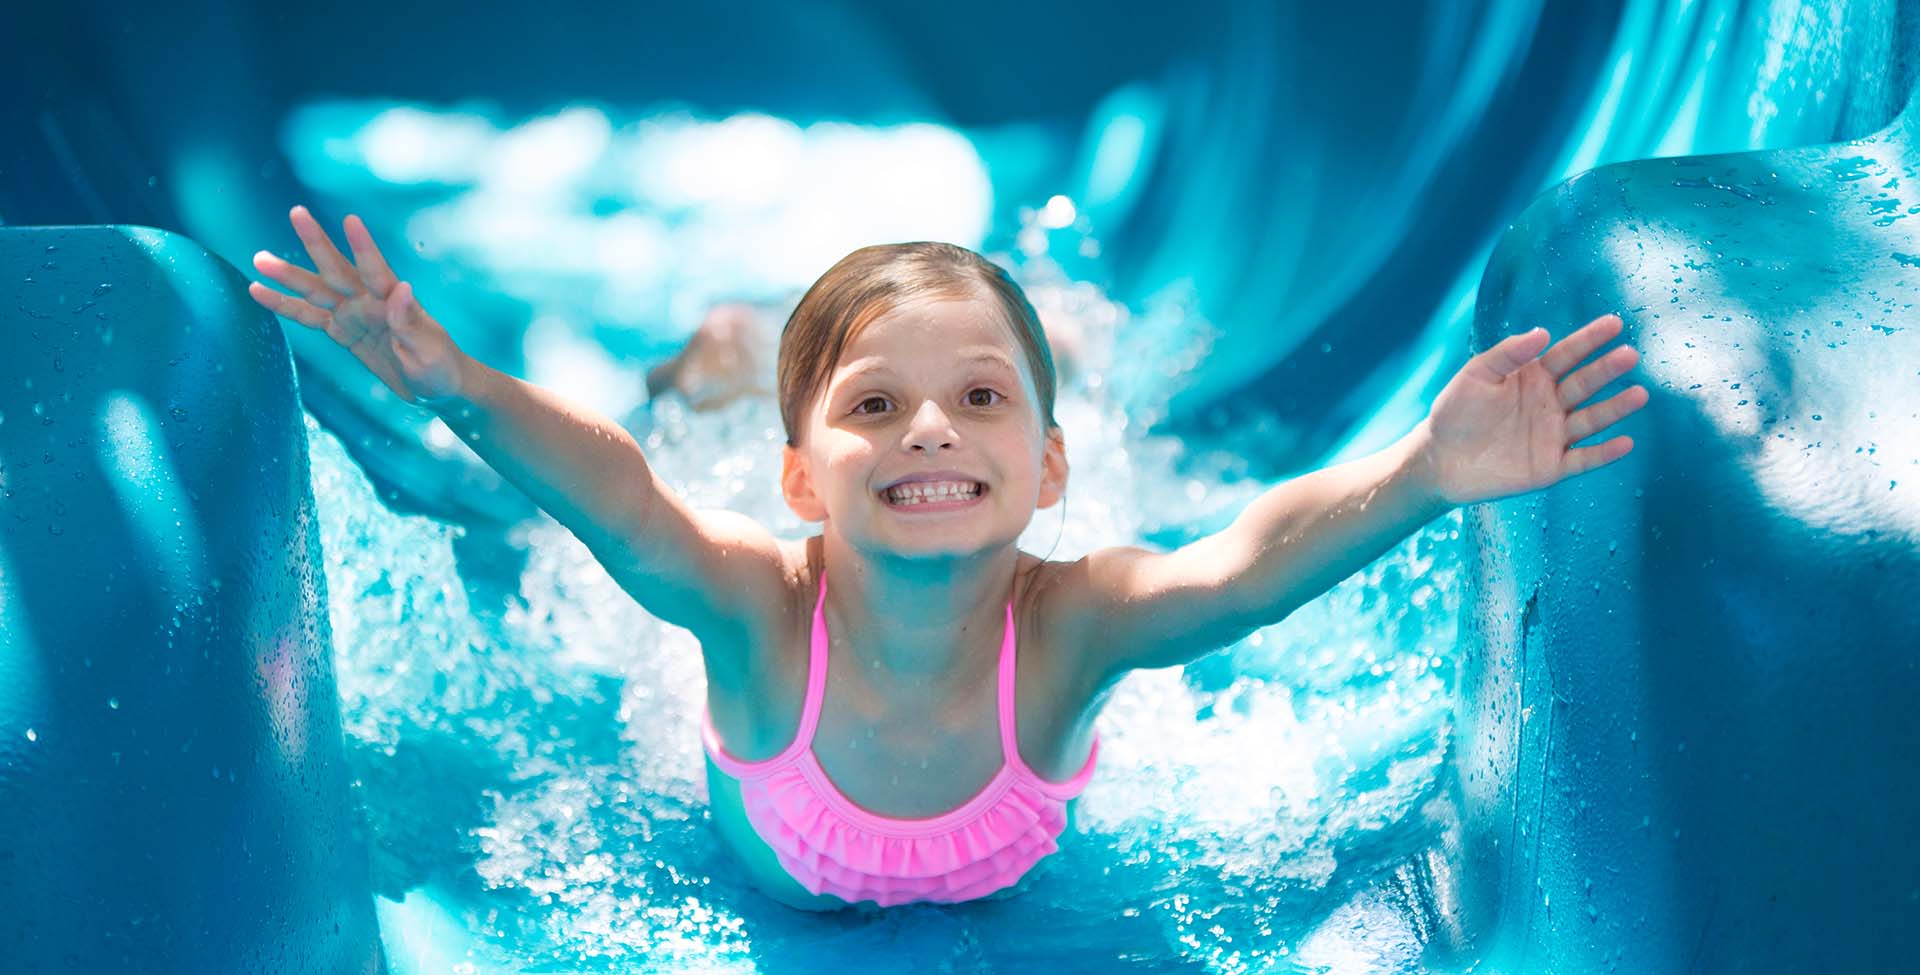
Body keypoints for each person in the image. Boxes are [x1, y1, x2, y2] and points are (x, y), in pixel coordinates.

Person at [248, 205, 1647, 911]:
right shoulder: (752, 613)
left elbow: (1235, 567)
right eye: (872, 407)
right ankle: (728, 366)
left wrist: (1423, 473)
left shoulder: (1074, 630)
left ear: (1045, 472)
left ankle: (1036, 350)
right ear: (806, 479)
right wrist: (458, 385)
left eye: (980, 401)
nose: (928, 429)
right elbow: (620, 504)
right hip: (701, 725)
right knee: (650, 483)